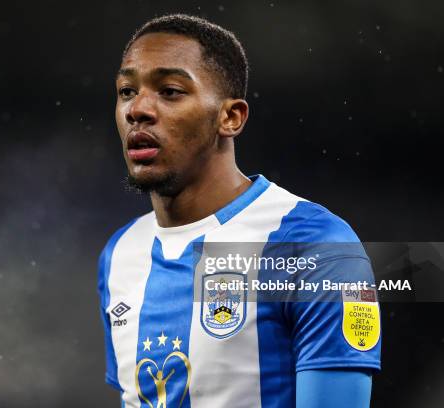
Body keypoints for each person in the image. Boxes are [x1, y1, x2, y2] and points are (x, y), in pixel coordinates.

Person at [98, 14, 380, 408]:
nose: (138, 109)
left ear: (230, 117)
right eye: (127, 91)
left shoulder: (316, 247)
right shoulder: (120, 253)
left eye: (171, 91)